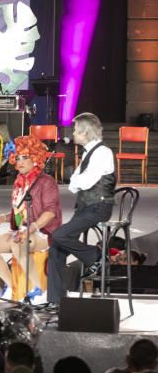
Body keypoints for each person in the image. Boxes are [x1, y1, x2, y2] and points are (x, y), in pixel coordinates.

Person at [46, 112, 115, 309]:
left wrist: (78, 180)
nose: (73, 134)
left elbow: (85, 181)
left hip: (99, 207)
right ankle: (56, 300)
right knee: (56, 248)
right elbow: (74, 184)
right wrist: (77, 180)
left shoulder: (103, 153)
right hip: (85, 207)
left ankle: (96, 256)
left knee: (60, 235)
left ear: (85, 132)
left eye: (76, 131)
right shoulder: (87, 153)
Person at [0, 136, 62, 302]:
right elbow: (20, 211)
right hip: (22, 231)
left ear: (35, 158)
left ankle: (40, 290)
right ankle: (12, 286)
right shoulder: (20, 182)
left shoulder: (46, 182)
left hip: (43, 233)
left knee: (17, 244)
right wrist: (4, 218)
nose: (19, 162)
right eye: (17, 158)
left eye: (24, 157)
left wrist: (30, 229)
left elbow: (50, 213)